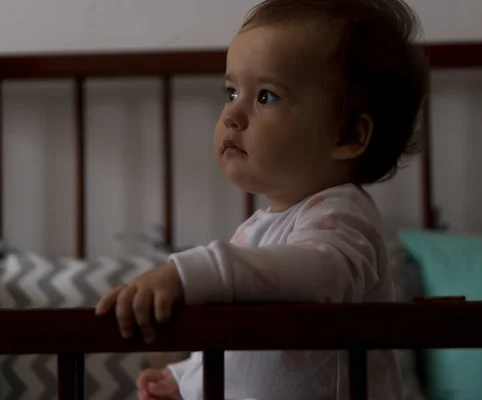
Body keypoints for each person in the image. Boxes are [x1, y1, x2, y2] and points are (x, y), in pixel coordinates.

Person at [96, 0, 428, 398]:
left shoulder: (343, 215)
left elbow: (319, 275)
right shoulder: (260, 231)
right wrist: (188, 377)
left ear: (349, 136)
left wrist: (195, 273)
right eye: (232, 91)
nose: (232, 114)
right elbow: (245, 351)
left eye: (266, 97)